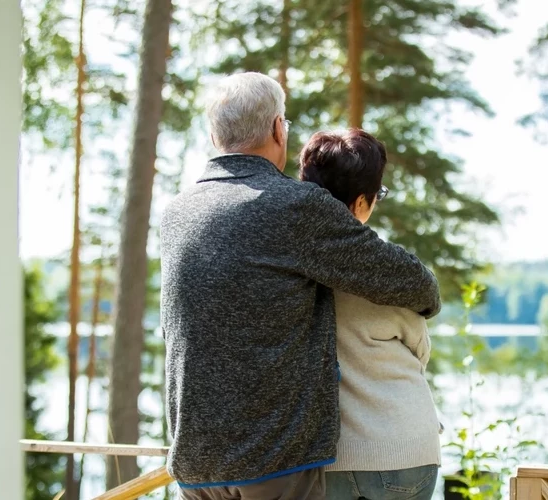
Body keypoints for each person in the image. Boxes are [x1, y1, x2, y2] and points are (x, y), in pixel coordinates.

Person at [160, 72, 442, 500]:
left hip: (196, 462)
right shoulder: (293, 206)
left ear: (215, 134)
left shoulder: (177, 211)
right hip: (270, 463)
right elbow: (411, 283)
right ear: (277, 127)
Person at [298, 130, 442, 500]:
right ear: (362, 200)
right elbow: (419, 350)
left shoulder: (287, 268)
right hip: (406, 448)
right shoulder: (388, 272)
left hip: (324, 458)